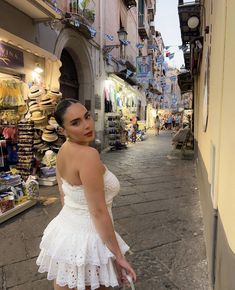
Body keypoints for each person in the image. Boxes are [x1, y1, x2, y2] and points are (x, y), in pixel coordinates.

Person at [36, 99, 136, 290]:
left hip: (66, 232)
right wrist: (119, 256)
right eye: (75, 122)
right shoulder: (88, 155)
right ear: (63, 130)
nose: (87, 125)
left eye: (87, 116)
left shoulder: (63, 150)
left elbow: (63, 193)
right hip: (89, 237)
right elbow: (98, 211)